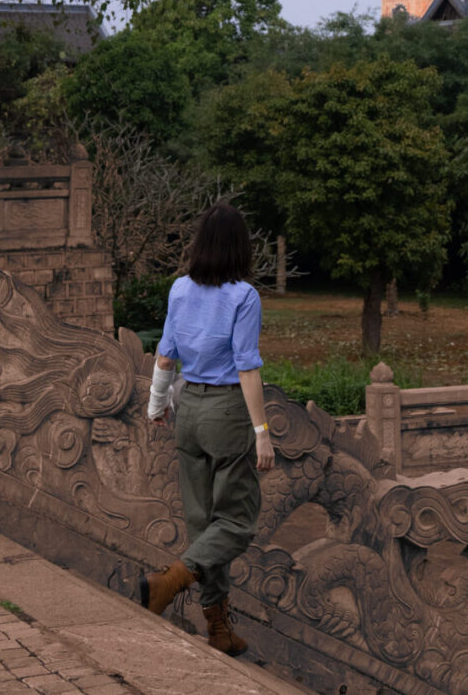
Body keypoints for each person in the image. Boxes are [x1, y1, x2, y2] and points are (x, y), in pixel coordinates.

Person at [140, 202, 275, 657]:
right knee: (237, 522)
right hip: (225, 412)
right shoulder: (244, 296)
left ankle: (218, 629)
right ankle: (170, 581)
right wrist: (261, 429)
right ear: (241, 247)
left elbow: (164, 355)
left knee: (203, 525)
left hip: (188, 412)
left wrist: (156, 404)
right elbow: (247, 368)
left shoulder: (180, 288)